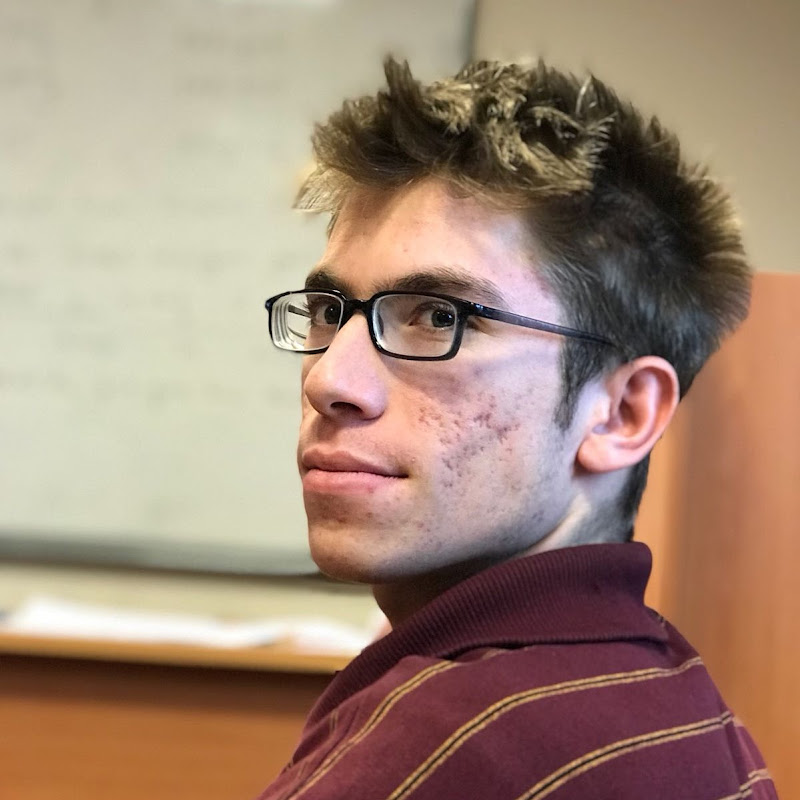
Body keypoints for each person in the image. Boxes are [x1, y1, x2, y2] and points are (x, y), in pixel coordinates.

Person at [258, 58, 776, 799]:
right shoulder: (661, 690)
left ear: (623, 413)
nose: (328, 380)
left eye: (439, 317)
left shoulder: (461, 742)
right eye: (327, 312)